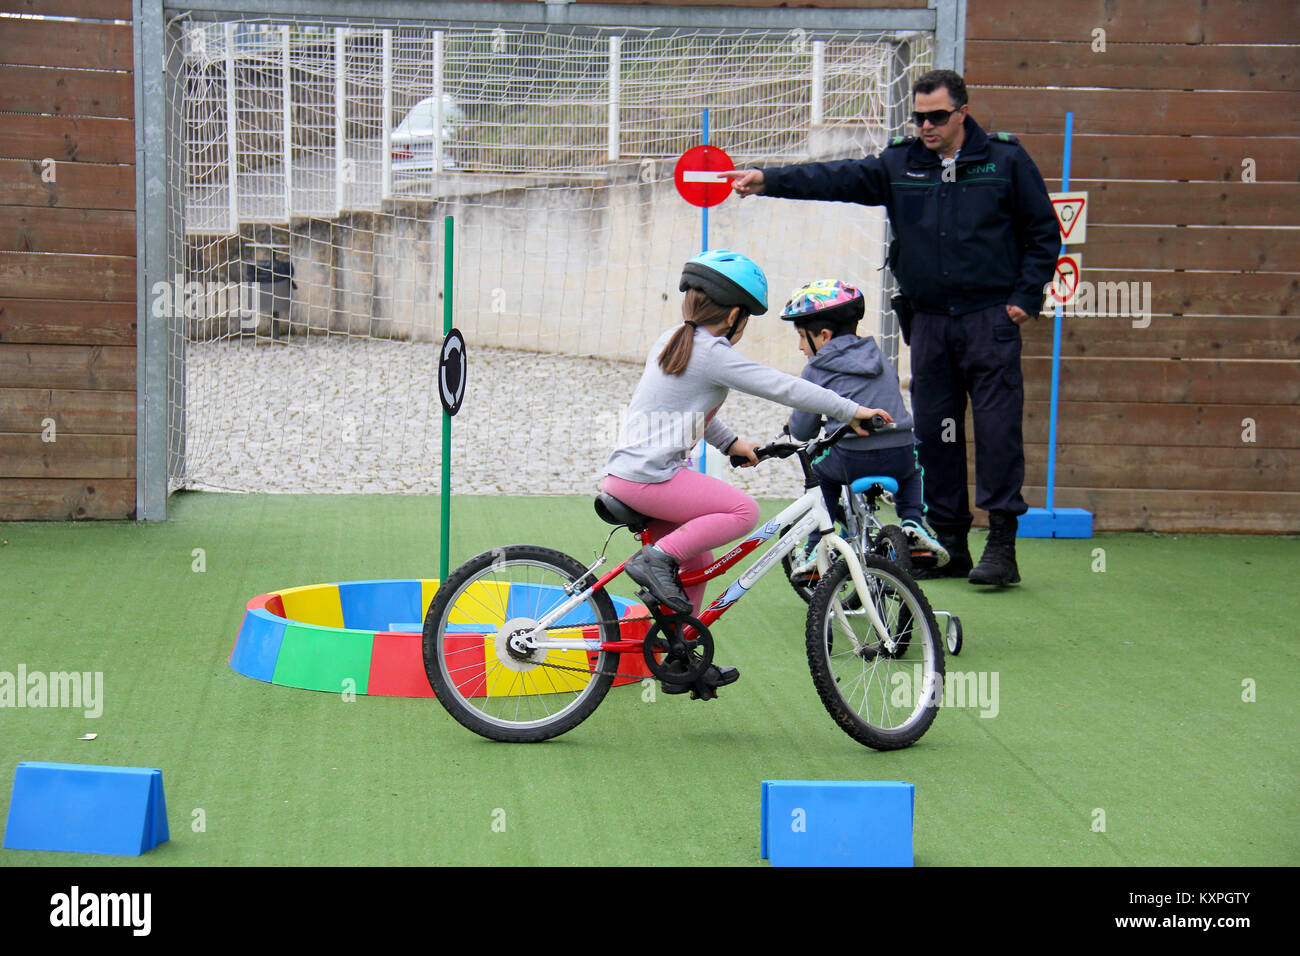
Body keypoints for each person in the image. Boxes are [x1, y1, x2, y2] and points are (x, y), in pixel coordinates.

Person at [724, 69, 1060, 587]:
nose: (926, 126)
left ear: (962, 113)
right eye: (919, 117)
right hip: (928, 322)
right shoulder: (902, 164)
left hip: (988, 320)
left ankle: (1001, 543)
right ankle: (949, 542)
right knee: (934, 430)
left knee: (997, 431)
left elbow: (1043, 231)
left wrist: (1025, 298)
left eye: (937, 117)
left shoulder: (1004, 161)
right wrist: (768, 179)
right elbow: (836, 177)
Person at [602, 250, 893, 696]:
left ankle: (682, 653)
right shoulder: (711, 352)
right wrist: (851, 410)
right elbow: (783, 386)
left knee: (695, 564)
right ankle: (653, 560)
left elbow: (688, 408)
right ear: (736, 315)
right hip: (650, 478)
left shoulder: (674, 340)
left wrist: (732, 444)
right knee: (742, 510)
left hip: (631, 476)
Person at [780, 279, 947, 572]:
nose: (799, 346)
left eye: (802, 337)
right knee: (913, 470)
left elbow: (803, 430)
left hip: (850, 458)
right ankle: (912, 523)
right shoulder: (879, 356)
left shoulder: (816, 368)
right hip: (899, 451)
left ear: (823, 336)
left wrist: (797, 424)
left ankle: (816, 547)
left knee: (822, 475)